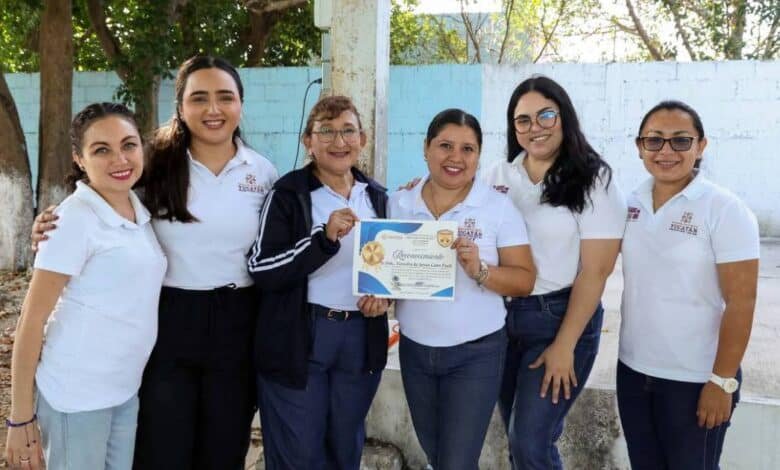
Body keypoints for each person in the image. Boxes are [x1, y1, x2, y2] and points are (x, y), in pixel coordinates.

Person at [29, 55, 278, 470]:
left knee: (224, 444)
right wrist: (47, 223)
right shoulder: (154, 164)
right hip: (168, 320)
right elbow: (101, 196)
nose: (212, 110)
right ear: (180, 107)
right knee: (163, 445)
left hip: (238, 321)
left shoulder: (262, 171)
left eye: (225, 98)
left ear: (240, 104)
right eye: (198, 98)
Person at [6, 103, 167, 470]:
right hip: (74, 397)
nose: (120, 159)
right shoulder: (73, 219)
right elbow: (32, 321)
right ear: (79, 159)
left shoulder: (138, 209)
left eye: (128, 145)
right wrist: (20, 417)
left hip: (123, 391)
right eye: (101, 150)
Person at [481, 75, 627, 469]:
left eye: (546, 114)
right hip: (500, 320)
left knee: (531, 441)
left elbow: (596, 272)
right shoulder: (497, 176)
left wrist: (564, 346)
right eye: (523, 120)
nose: (535, 127)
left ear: (564, 117)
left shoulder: (594, 179)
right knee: (520, 441)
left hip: (561, 319)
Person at [247, 95, 390, 469]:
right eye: (325, 131)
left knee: (345, 447)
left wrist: (384, 298)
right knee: (299, 452)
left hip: (360, 336)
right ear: (307, 141)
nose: (338, 141)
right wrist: (322, 240)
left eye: (348, 131)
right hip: (301, 335)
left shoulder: (378, 197)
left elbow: (394, 268)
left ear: (364, 137)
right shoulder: (288, 194)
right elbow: (262, 268)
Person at [617, 100, 759, 469]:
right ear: (639, 147)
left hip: (696, 380)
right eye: (655, 141)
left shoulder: (724, 209)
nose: (666, 151)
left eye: (680, 141)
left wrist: (722, 381)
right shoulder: (629, 203)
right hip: (633, 372)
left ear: (701, 146)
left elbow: (741, 301)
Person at [391, 108, 536, 469]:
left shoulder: (497, 207)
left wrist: (481, 270)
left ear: (478, 155)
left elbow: (524, 279)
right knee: (436, 455)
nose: (455, 157)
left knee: (456, 462)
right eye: (445, 146)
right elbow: (385, 273)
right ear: (426, 149)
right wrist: (378, 292)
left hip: (477, 354)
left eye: (468, 149)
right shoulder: (399, 203)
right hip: (415, 352)